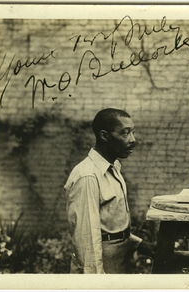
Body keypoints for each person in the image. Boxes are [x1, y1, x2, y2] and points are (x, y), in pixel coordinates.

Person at [64, 108, 154, 274]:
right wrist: (97, 284)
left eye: (133, 132)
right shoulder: (88, 176)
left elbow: (110, 228)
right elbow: (87, 239)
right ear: (104, 136)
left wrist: (139, 244)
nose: (133, 140)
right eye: (125, 133)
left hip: (119, 263)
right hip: (101, 270)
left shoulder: (113, 168)